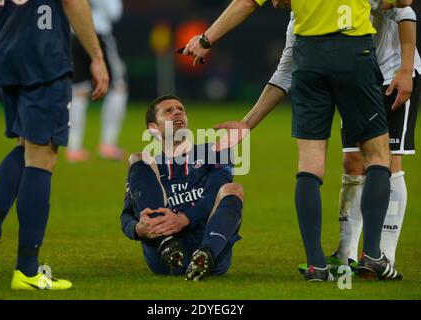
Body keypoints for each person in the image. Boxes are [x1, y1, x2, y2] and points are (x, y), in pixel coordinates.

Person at [180, 0, 413, 282]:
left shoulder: (296, 18)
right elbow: (402, 3)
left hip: (310, 57)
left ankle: (316, 265)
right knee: (377, 156)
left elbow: (247, 2)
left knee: (310, 164)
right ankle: (374, 255)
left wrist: (207, 39)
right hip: (354, 52)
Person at [0, 0, 108, 290]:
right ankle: (28, 271)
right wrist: (96, 56)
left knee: (26, 145)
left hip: (4, 54)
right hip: (44, 55)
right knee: (42, 157)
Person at [120, 95, 243, 281]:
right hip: (164, 257)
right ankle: (166, 242)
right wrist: (138, 229)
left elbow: (213, 196)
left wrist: (183, 219)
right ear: (153, 128)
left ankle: (204, 256)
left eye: (180, 109)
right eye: (168, 111)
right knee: (136, 157)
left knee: (233, 189)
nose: (177, 112)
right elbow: (126, 215)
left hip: (209, 247)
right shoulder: (146, 168)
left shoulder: (215, 151)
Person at [67, 0, 128, 162]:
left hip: (75, 35)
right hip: (98, 36)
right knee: (118, 88)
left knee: (78, 91)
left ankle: (74, 148)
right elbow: (115, 13)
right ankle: (108, 144)